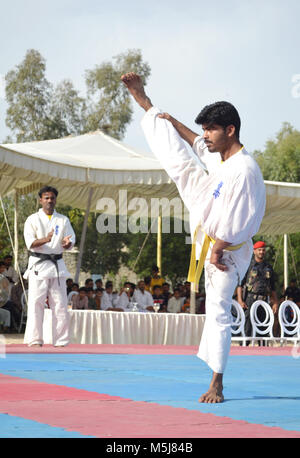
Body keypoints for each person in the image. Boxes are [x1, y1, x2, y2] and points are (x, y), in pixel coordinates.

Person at [121, 72, 266, 403]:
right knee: (182, 166)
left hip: (229, 250)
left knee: (217, 308)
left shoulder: (244, 170)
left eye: (211, 129)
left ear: (230, 130)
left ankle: (217, 382)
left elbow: (242, 222)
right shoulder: (221, 156)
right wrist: (165, 117)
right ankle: (145, 101)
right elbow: (195, 144)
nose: (205, 136)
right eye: (204, 129)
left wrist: (217, 250)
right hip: (210, 219)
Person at [23, 186, 76, 347]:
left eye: (52, 198)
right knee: (36, 303)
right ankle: (35, 339)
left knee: (60, 304)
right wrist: (46, 239)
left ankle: (61, 340)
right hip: (38, 264)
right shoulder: (32, 219)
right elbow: (30, 243)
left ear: (55, 200)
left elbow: (70, 241)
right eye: (46, 198)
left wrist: (67, 244)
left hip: (57, 265)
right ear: (40, 200)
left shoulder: (63, 220)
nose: (49, 201)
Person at [237, 241, 280, 341]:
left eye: (263, 250)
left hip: (264, 300)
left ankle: (263, 350)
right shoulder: (248, 265)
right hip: (250, 299)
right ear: (254, 251)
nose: (261, 252)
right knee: (248, 325)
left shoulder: (268, 267)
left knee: (264, 325)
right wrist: (240, 300)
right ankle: (244, 348)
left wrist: (276, 302)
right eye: (259, 250)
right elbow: (240, 284)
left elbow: (272, 287)